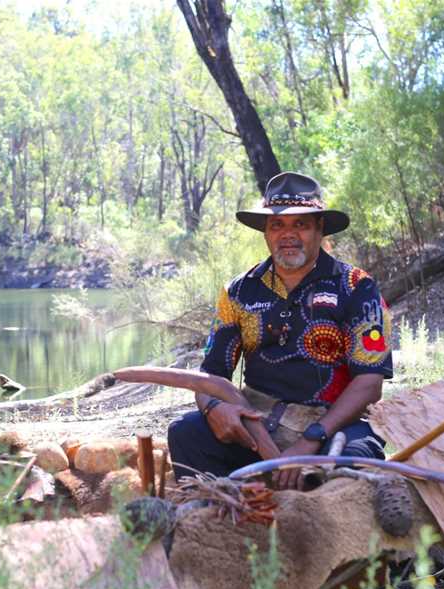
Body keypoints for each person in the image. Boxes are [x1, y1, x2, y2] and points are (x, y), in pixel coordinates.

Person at [168, 171, 392, 490]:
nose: (287, 234)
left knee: (356, 461)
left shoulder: (357, 287)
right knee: (186, 433)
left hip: (335, 426)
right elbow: (210, 377)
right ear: (266, 233)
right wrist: (216, 408)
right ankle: (218, 526)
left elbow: (369, 384)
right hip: (257, 427)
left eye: (300, 224)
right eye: (277, 225)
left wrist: (312, 439)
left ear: (320, 228)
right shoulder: (238, 292)